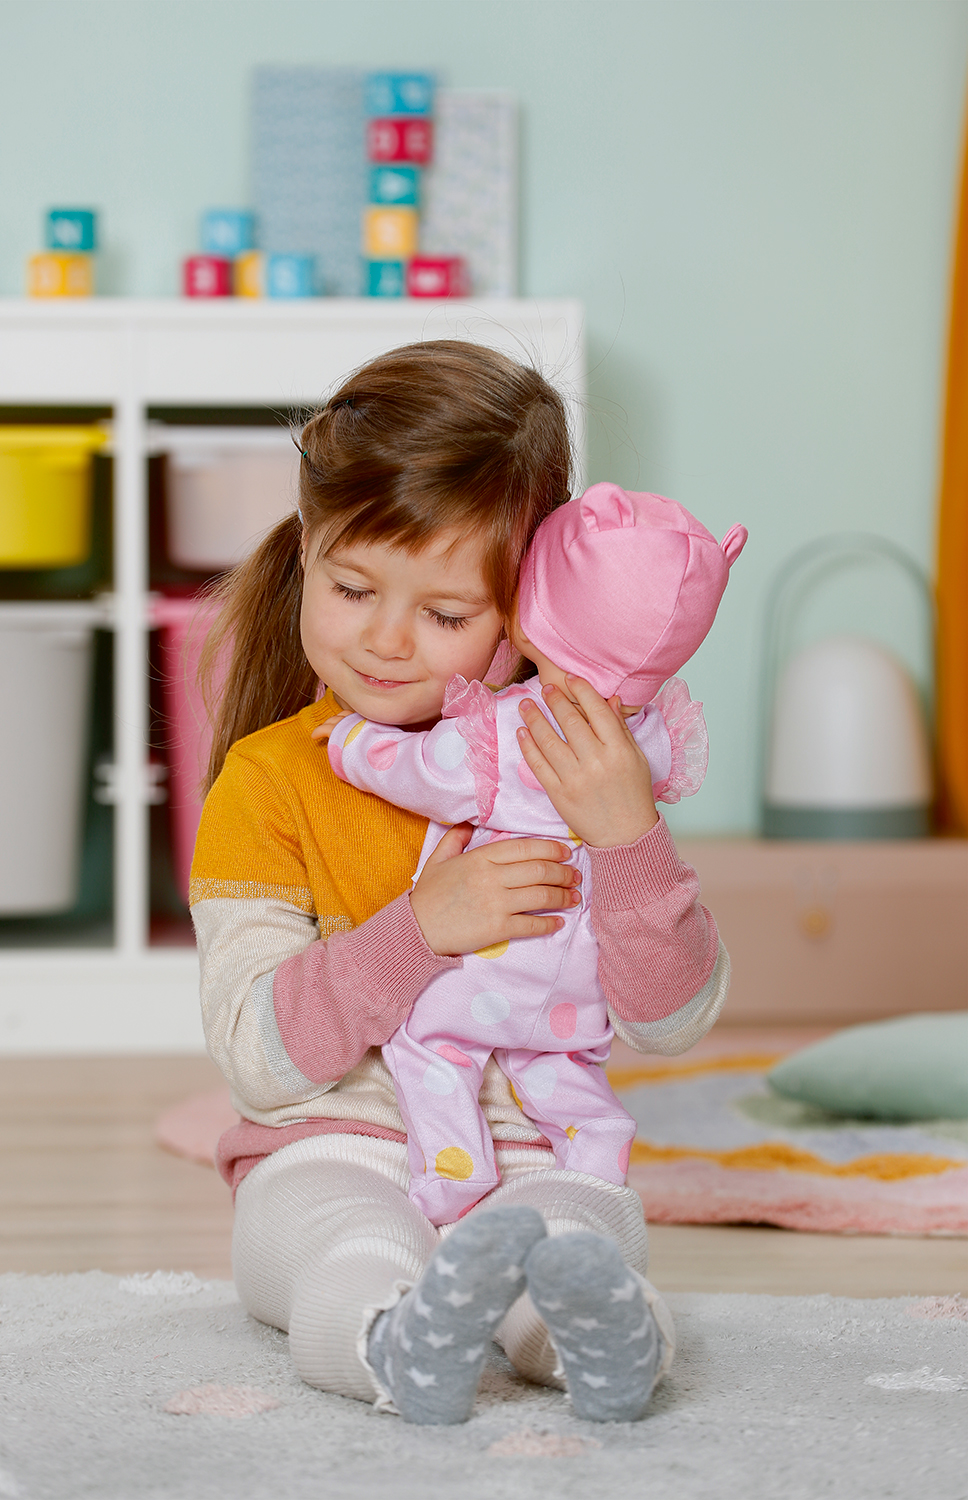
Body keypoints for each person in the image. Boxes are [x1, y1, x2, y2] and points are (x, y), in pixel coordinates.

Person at [191, 341, 730, 1428]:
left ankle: (601, 1346)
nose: (386, 641)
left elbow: (672, 1023)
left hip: (535, 1148)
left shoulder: (578, 768)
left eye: (445, 616)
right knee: (348, 1241)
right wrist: (420, 929)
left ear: (528, 610)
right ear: (307, 550)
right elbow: (256, 1056)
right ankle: (396, 1343)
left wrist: (627, 836)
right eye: (351, 588)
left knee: (574, 1240)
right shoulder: (268, 782)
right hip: (330, 1147)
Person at [316, 485, 746, 1227]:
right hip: (576, 986)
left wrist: (352, 741)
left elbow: (418, 771)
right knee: (561, 1068)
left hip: (494, 971)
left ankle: (455, 1169)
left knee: (428, 1043)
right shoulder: (648, 742)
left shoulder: (509, 730)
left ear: (523, 613)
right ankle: (599, 1154)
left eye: (448, 613)